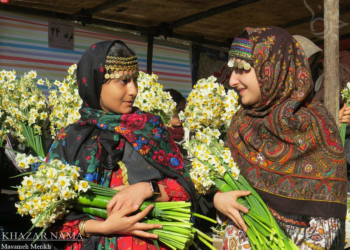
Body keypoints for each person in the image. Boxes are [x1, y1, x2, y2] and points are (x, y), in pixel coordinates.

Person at [46, 40, 197, 250]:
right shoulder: (70, 139)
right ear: (96, 82)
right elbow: (48, 218)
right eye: (123, 81)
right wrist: (104, 227)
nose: (133, 90)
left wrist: (148, 189)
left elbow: (186, 190)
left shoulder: (151, 130)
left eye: (135, 79)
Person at [213, 27, 347, 249]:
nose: (232, 81)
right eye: (232, 70)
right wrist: (219, 200)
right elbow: (230, 190)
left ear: (272, 69)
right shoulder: (240, 124)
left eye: (242, 69)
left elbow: (329, 221)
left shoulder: (316, 126)